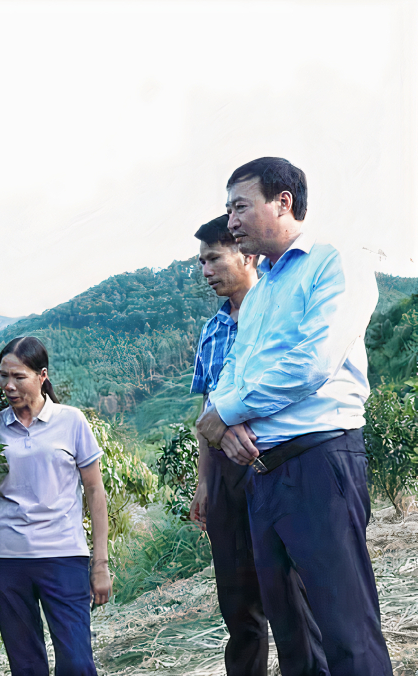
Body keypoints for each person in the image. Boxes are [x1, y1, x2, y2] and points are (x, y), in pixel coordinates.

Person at [196, 157, 392, 676]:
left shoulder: (334, 262)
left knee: (346, 629)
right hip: (266, 474)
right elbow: (237, 370)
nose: (232, 220)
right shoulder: (262, 294)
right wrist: (228, 421)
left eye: (240, 206)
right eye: (228, 209)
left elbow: (313, 362)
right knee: (294, 635)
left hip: (319, 461)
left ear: (283, 202)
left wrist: (227, 412)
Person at [0, 336, 110, 676]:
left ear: (41, 376)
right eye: (3, 377)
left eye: (18, 377)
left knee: (76, 663)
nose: (8, 386)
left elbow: (95, 492)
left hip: (63, 556)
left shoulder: (71, 421)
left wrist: (100, 563)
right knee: (26, 666)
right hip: (7, 559)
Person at [187, 214, 269, 676]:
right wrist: (205, 482)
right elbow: (206, 412)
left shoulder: (274, 313)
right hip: (224, 469)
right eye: (201, 262)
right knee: (236, 600)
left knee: (288, 589)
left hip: (270, 459)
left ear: (246, 254)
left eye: (214, 258)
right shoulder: (212, 331)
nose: (205, 271)